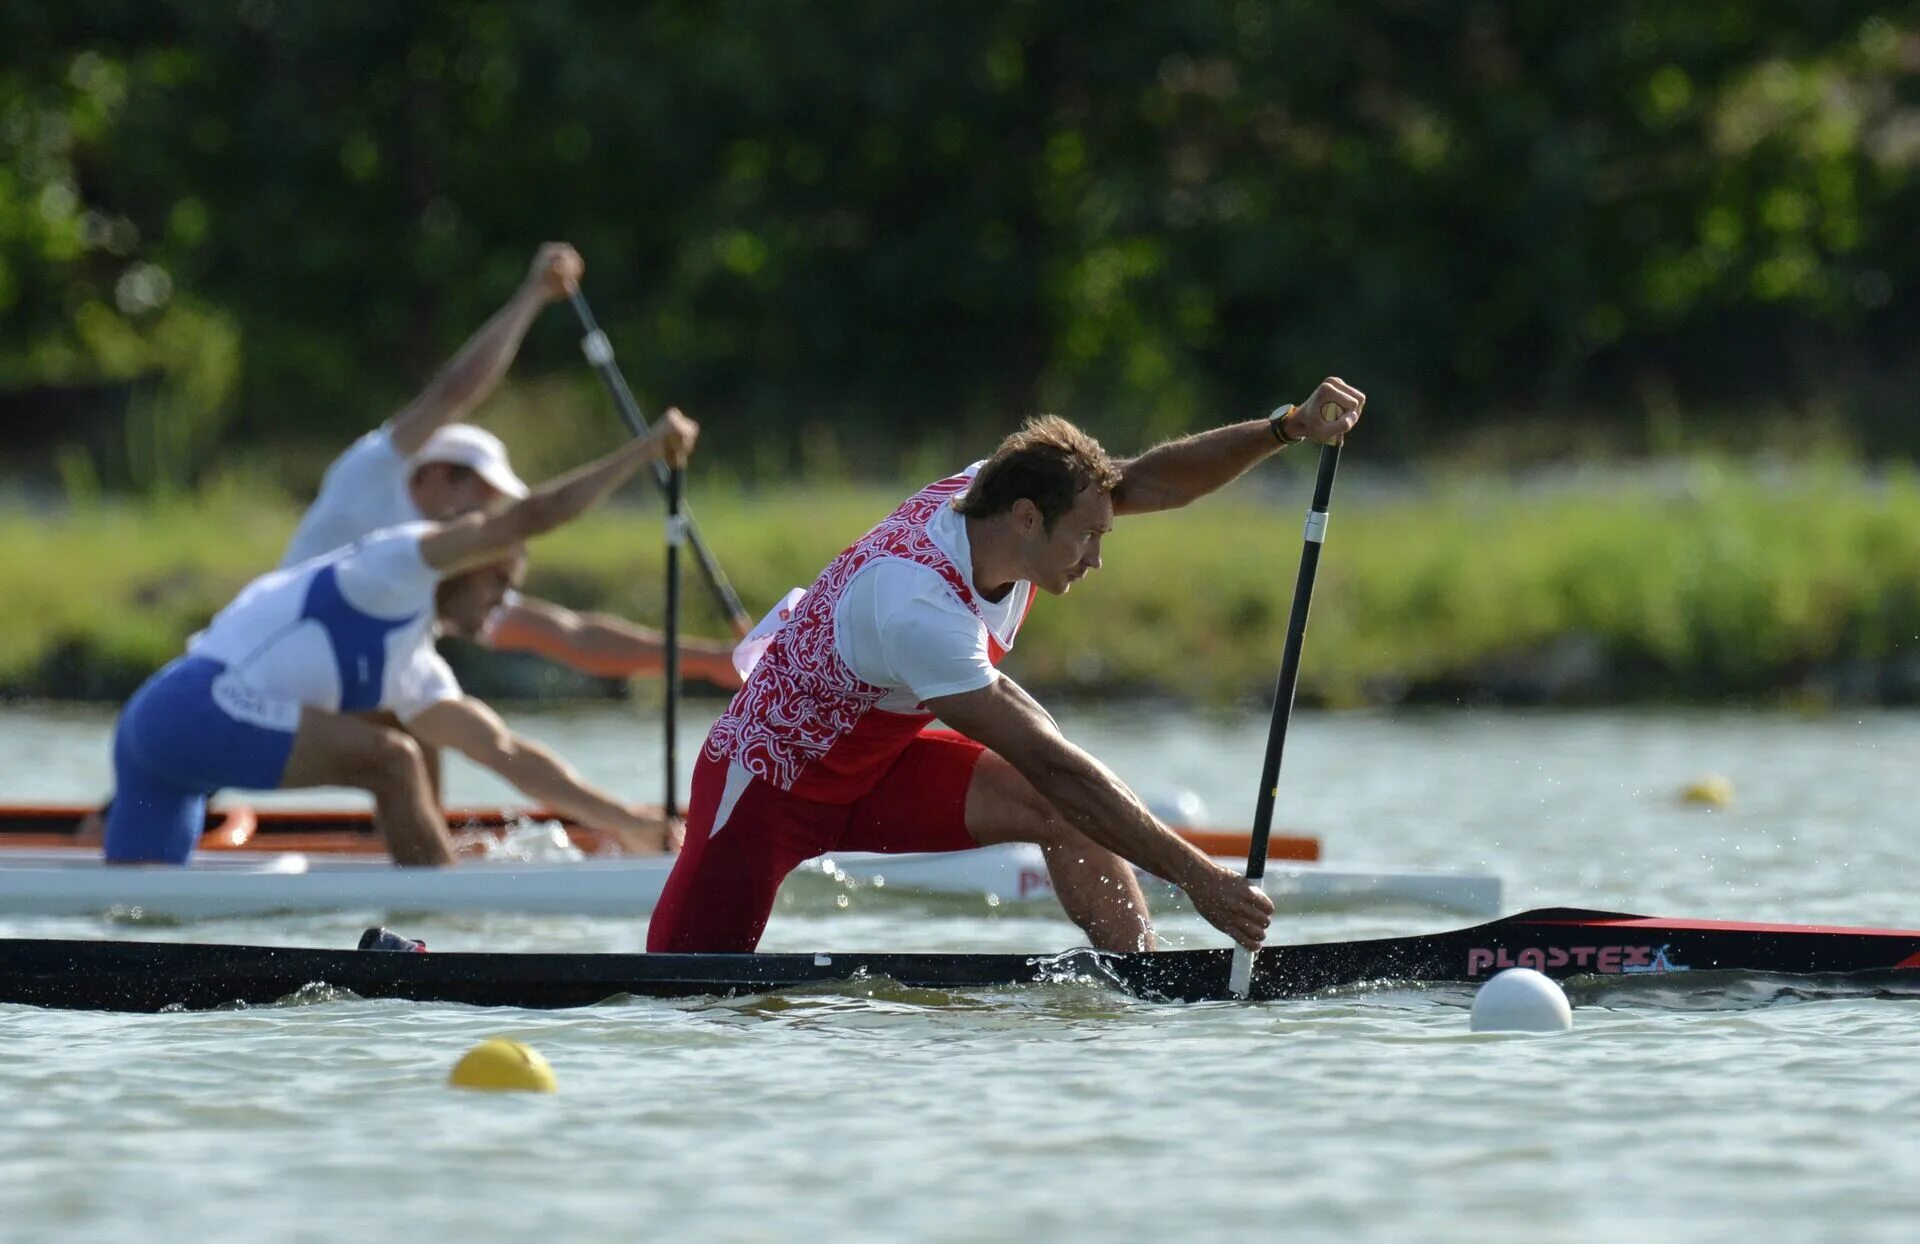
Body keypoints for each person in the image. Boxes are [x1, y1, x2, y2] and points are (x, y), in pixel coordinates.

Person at [648, 380, 1365, 955]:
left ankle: (1145, 976)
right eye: (1086, 539)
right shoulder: (920, 607)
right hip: (768, 789)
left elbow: (1154, 483)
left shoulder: (1007, 498)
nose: (1097, 558)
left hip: (879, 767)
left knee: (1061, 811)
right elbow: (1052, 761)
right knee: (685, 999)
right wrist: (1199, 879)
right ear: (1026, 519)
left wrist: (1286, 428)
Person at [102, 411, 703, 866]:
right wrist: (645, 451)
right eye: (500, 581)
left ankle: (426, 888)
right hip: (189, 709)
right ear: (470, 561)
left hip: (160, 743)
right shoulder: (397, 565)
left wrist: (626, 821)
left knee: (136, 919)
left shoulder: (414, 668)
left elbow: (508, 755)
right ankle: (437, 917)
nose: (501, 604)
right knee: (393, 761)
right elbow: (531, 517)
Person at [282, 241, 740, 687]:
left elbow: (573, 637)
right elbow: (452, 393)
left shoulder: (454, 566)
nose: (489, 517)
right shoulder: (370, 474)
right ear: (438, 474)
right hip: (271, 665)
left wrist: (716, 661)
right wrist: (534, 294)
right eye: (483, 495)